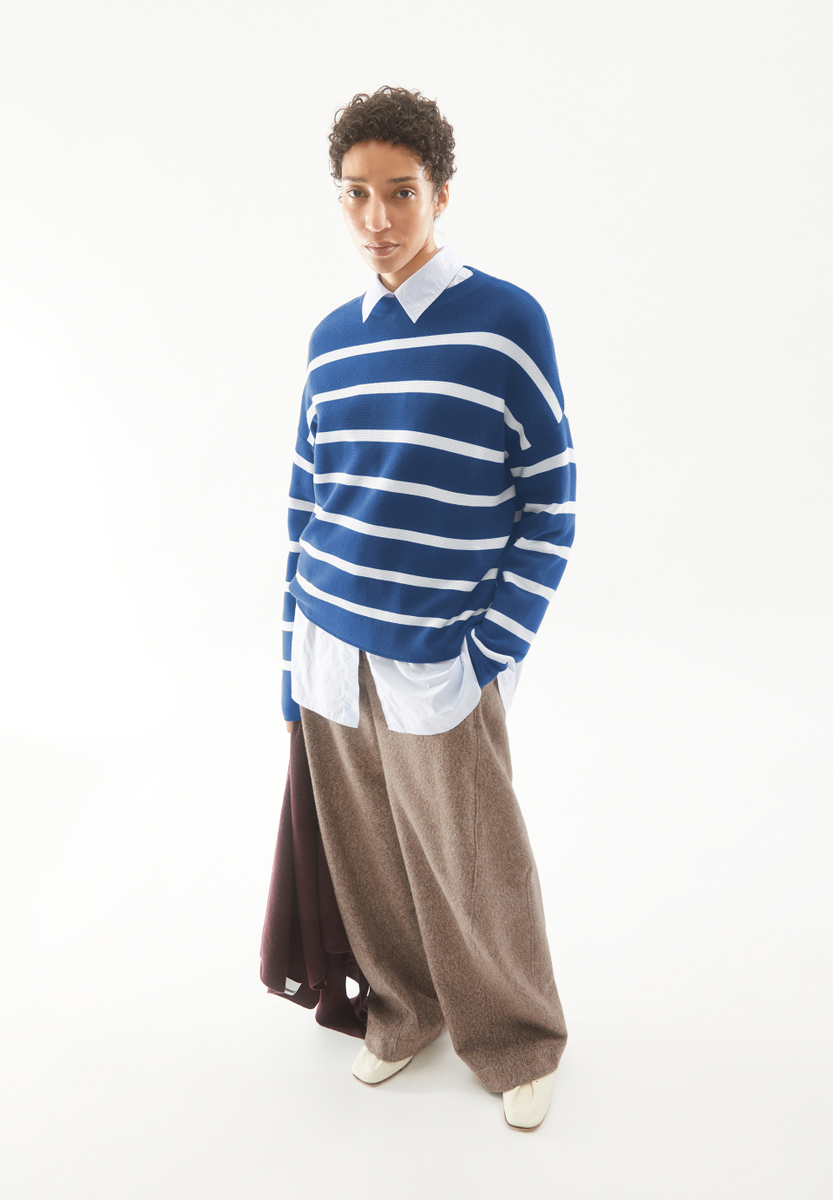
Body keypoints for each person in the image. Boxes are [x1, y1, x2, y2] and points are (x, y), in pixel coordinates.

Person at [280, 85, 576, 1132]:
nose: (377, 217)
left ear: (440, 193)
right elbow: (305, 505)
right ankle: (403, 1011)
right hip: (329, 638)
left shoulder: (504, 321)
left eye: (400, 191)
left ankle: (516, 1035)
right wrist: (286, 663)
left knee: (471, 857)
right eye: (355, 193)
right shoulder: (330, 339)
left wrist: (490, 646)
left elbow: (551, 499)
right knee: (366, 855)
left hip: (436, 649)